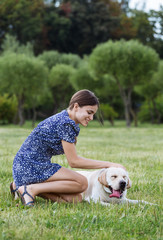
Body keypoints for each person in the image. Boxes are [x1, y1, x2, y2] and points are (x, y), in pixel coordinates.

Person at [10, 89, 125, 206]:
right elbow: (74, 162)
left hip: (26, 166)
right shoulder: (66, 123)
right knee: (82, 183)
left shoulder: (67, 120)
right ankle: (29, 189)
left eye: (93, 114)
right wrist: (109, 164)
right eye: (89, 112)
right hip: (31, 165)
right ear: (76, 106)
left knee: (76, 199)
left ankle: (20, 185)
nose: (91, 118)